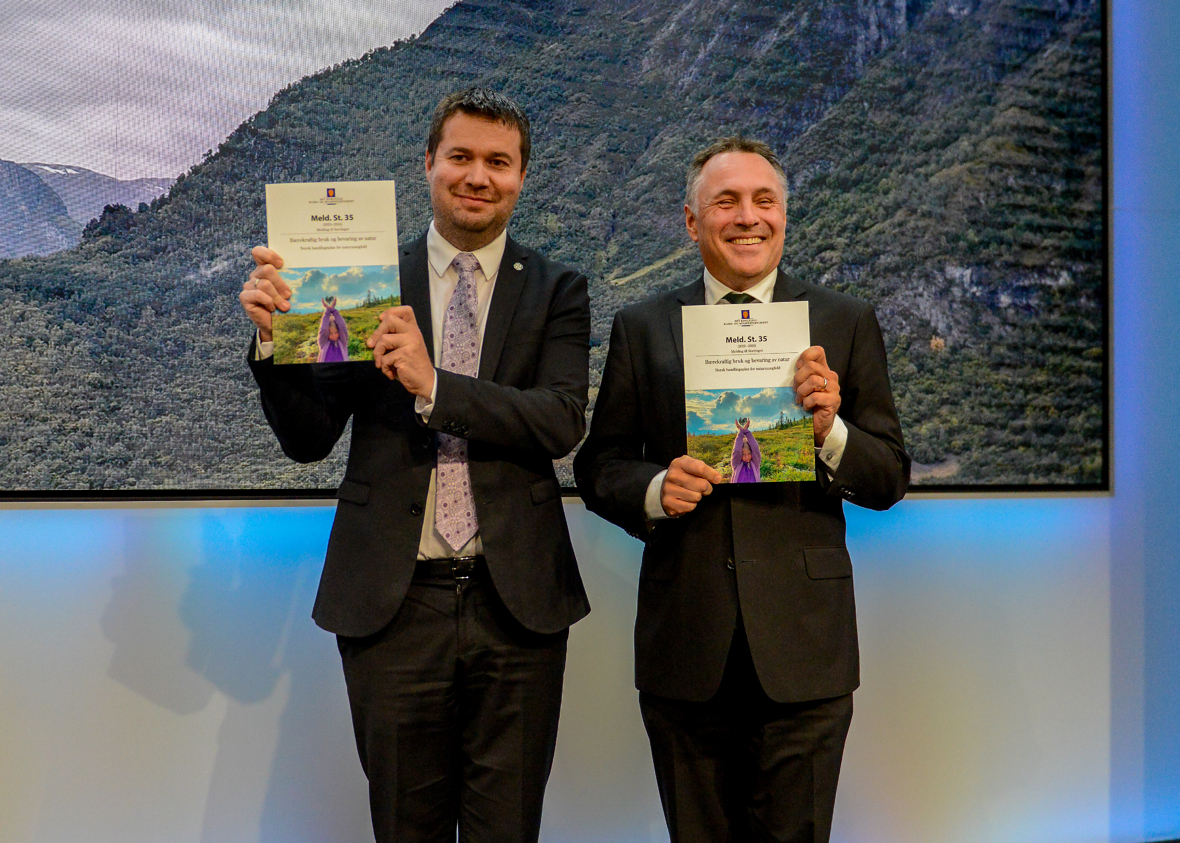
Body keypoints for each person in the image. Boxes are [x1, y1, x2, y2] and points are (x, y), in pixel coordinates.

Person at [239, 87, 591, 843]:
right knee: (405, 827)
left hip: (517, 606)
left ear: (521, 177)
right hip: (393, 605)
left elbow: (560, 420)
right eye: (460, 156)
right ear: (428, 162)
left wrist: (435, 387)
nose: (477, 175)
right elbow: (308, 439)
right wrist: (274, 345)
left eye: (498, 162)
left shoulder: (559, 289)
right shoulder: (366, 278)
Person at [574, 137, 909, 842]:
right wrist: (657, 486)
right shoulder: (642, 328)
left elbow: (889, 476)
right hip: (686, 648)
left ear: (785, 217)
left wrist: (830, 431)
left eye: (764, 201)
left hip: (805, 652)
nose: (747, 216)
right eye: (725, 201)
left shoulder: (845, 322)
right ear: (693, 222)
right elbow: (599, 464)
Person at [730, 418, 760, 483]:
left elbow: (755, 448)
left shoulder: (755, 463)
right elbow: (737, 450)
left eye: (749, 453)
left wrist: (746, 431)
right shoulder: (736, 464)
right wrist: (741, 431)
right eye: (743, 454)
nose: (747, 457)